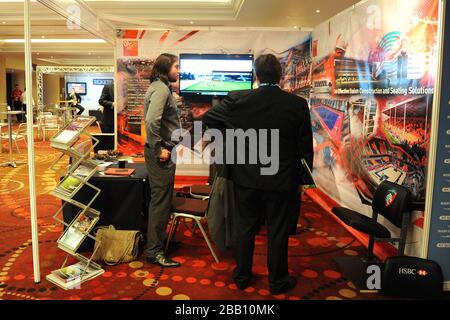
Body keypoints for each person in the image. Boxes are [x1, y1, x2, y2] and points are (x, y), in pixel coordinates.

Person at [203, 54, 314, 295]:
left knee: (244, 228)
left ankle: (242, 277)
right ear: (281, 75)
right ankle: (277, 281)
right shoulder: (296, 104)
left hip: (246, 177)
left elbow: (209, 118)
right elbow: (305, 148)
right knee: (278, 231)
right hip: (282, 180)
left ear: (256, 75)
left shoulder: (237, 99)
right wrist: (305, 181)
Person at [144, 53, 182, 268]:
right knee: (160, 202)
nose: (179, 70)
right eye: (176, 66)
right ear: (165, 68)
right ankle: (154, 251)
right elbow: (151, 122)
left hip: (164, 150)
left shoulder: (160, 87)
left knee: (162, 199)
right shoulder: (160, 89)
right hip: (161, 152)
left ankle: (157, 243)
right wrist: (159, 148)